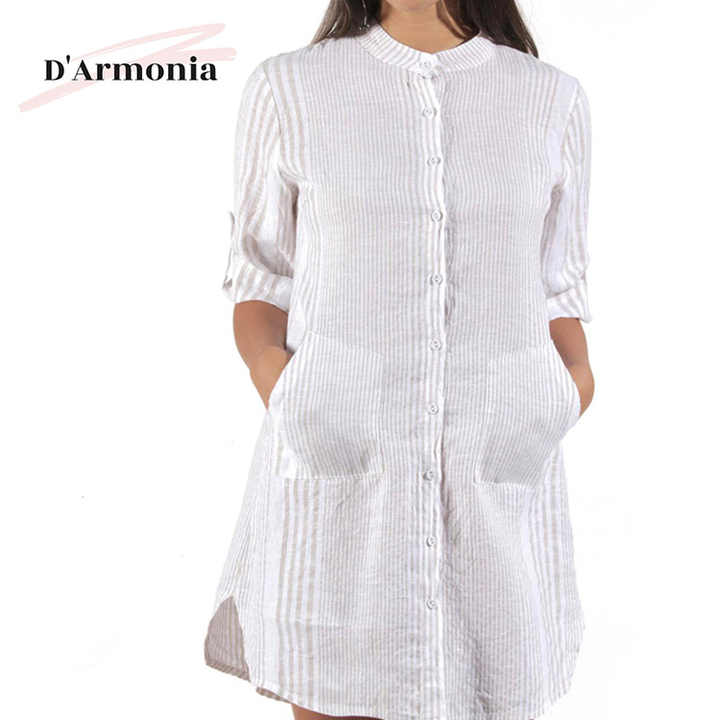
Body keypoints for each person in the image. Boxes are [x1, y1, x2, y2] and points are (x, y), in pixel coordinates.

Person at [204, 2, 595, 719]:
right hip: (341, 470)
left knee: (494, 685)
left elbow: (559, 285)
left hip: (495, 473)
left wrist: (569, 389)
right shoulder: (290, 88)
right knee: (330, 686)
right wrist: (287, 387)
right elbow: (260, 276)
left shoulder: (551, 98)